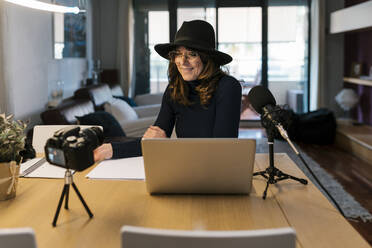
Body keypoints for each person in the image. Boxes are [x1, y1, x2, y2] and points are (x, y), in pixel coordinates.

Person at [94, 20, 242, 162]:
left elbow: (223, 150)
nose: (182, 61)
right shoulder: (175, 88)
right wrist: (111, 149)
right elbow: (153, 140)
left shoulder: (228, 87)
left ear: (207, 58)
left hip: (215, 174)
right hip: (186, 167)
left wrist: (166, 145)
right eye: (177, 54)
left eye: (191, 54)